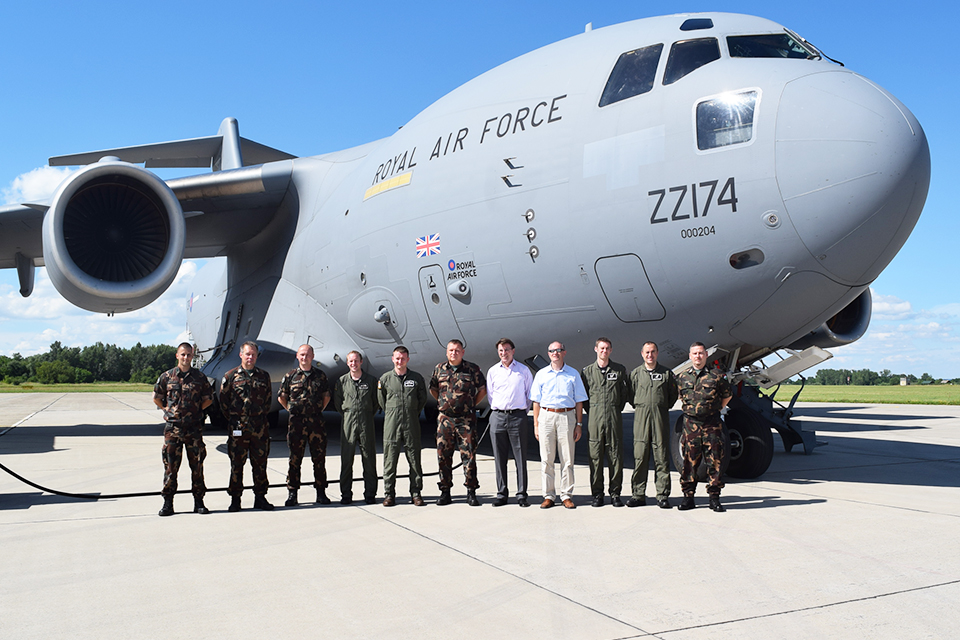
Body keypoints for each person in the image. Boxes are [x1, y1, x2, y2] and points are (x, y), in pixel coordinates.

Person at [153, 342, 213, 517]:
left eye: (189, 355)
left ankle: (199, 501)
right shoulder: (167, 376)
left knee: (197, 466)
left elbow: (208, 398)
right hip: (173, 429)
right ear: (177, 356)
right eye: (183, 354)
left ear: (192, 356)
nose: (186, 358)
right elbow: (157, 396)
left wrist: (197, 411)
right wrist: (166, 410)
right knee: (171, 467)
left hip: (194, 428)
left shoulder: (200, 377)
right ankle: (168, 503)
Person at [530, 341, 587, 509]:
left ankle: (566, 495)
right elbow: (536, 402)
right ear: (548, 354)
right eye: (552, 351)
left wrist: (579, 424)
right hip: (546, 416)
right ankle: (548, 495)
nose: (555, 353)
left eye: (558, 350)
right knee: (546, 459)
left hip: (566, 416)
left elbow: (579, 402)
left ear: (564, 352)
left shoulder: (573, 374)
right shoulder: (541, 374)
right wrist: (536, 424)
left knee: (567, 459)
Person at [677, 342, 732, 512]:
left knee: (714, 460)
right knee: (690, 462)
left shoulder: (716, 376)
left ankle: (714, 498)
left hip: (711, 424)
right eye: (695, 353)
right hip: (691, 425)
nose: (698, 356)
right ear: (690, 356)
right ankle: (688, 497)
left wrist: (713, 410)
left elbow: (727, 396)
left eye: (701, 353)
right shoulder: (683, 377)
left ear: (706, 355)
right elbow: (681, 397)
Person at [430, 339, 486, 506]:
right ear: (447, 352)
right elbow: (433, 389)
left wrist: (471, 404)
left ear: (462, 352)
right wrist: (443, 404)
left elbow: (482, 389)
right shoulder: (439, 369)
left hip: (465, 419)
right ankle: (445, 491)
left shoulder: (472, 369)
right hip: (445, 419)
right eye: (451, 350)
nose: (453, 353)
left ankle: (471, 491)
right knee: (443, 456)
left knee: (468, 455)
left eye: (457, 350)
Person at [220, 341, 274, 512]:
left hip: (259, 428)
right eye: (247, 354)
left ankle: (260, 497)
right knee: (237, 463)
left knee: (260, 464)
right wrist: (237, 418)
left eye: (253, 354)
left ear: (257, 356)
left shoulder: (264, 376)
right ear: (241, 355)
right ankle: (235, 499)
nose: (250, 357)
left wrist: (257, 418)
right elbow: (224, 402)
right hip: (238, 428)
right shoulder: (230, 376)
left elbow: (268, 401)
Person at [277, 344, 331, 507]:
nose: (304, 357)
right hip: (296, 424)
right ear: (297, 356)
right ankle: (292, 493)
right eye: (301, 355)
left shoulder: (320, 376)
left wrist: (318, 410)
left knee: (319, 458)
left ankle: (321, 492)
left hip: (316, 423)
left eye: (307, 355)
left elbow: (326, 396)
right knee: (295, 459)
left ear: (313, 356)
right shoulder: (290, 376)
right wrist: (292, 410)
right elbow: (282, 397)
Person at [580, 337, 630, 507]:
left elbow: (624, 395)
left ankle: (615, 493)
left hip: (613, 418)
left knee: (615, 456)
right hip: (594, 419)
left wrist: (613, 409)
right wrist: (594, 411)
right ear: (595, 349)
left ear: (611, 350)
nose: (604, 351)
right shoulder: (587, 372)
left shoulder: (619, 370)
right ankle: (597, 494)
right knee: (595, 457)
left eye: (607, 348)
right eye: (601, 348)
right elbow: (584, 398)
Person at [628, 341, 679, 508]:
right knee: (640, 457)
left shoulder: (666, 374)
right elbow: (630, 395)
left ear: (657, 353)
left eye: (653, 352)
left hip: (660, 420)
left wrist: (659, 407)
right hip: (641, 420)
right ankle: (638, 495)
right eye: (647, 352)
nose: (650, 355)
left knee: (661, 457)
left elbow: (672, 396)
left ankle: (662, 495)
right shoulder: (635, 374)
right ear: (642, 354)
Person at [378, 346, 428, 506]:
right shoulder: (385, 379)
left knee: (414, 460)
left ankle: (416, 493)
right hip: (391, 425)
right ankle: (389, 494)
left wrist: (411, 412)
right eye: (397, 358)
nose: (400, 361)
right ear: (393, 359)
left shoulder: (416, 378)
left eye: (403, 358)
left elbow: (422, 399)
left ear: (408, 359)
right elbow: (381, 400)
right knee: (390, 461)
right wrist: (393, 412)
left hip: (411, 424)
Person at [486, 338, 533, 507]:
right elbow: (491, 395)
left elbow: (529, 395)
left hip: (517, 417)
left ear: (513, 351)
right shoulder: (493, 371)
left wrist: (520, 412)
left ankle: (521, 494)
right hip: (498, 416)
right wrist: (500, 410)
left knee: (520, 457)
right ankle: (502, 493)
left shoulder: (523, 371)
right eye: (500, 350)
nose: (503, 353)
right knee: (499, 457)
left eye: (506, 350)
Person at [333, 350, 380, 505]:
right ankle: (346, 494)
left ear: (361, 362)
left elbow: (375, 402)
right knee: (347, 460)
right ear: (348, 363)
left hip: (366, 421)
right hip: (348, 421)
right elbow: (338, 402)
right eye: (351, 361)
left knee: (369, 459)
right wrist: (349, 413)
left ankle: (370, 494)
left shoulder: (371, 381)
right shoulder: (342, 381)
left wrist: (365, 413)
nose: (354, 364)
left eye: (356, 361)